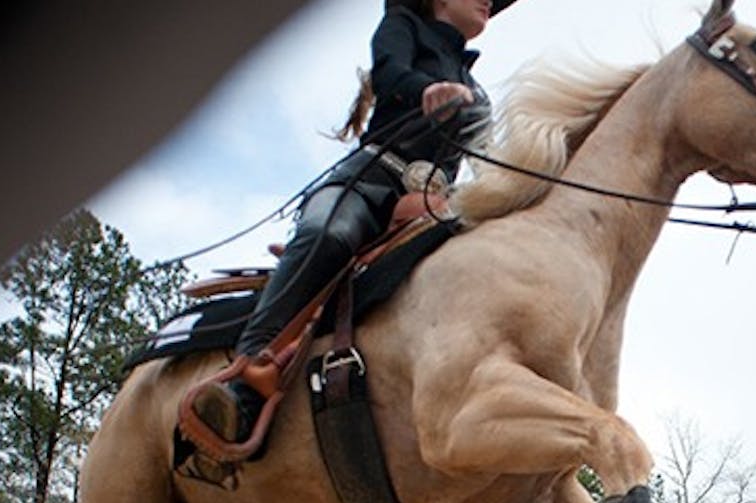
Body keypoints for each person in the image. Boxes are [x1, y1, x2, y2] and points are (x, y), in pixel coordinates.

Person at [187, 0, 519, 450]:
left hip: (433, 204)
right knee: (329, 234)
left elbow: (488, 164)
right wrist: (427, 91)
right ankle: (245, 377)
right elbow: (388, 74)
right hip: (371, 181)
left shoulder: (477, 93)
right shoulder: (403, 28)